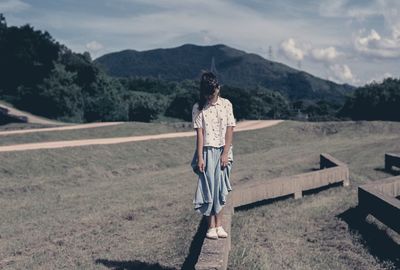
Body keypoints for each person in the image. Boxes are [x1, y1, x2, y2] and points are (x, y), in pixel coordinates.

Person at [191, 71, 236, 240]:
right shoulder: (198, 107)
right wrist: (200, 157)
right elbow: (200, 135)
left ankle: (219, 225)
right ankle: (211, 226)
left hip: (224, 150)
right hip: (207, 151)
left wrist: (225, 153)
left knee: (220, 188)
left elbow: (230, 128)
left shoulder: (226, 104)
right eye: (207, 94)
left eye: (213, 93)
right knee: (209, 186)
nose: (210, 97)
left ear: (218, 88)